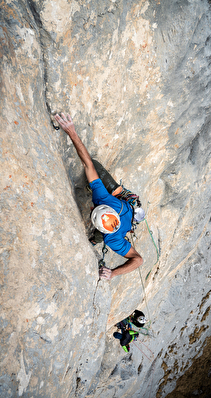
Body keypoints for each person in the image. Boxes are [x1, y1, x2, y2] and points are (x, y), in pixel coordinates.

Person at [54, 113, 144, 280]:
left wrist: (113, 273)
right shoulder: (106, 200)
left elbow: (139, 260)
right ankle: (96, 238)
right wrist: (72, 132)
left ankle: (96, 239)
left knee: (100, 236)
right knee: (94, 165)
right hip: (124, 205)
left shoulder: (112, 239)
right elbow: (138, 260)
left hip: (125, 215)